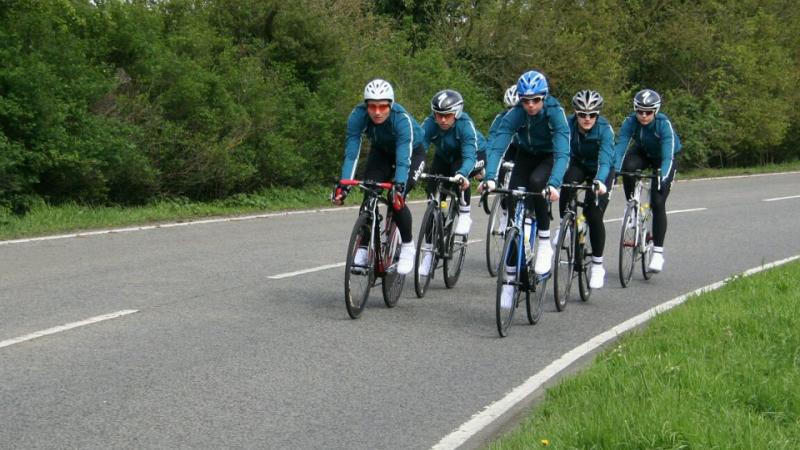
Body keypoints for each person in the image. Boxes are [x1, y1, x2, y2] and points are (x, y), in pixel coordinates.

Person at [480, 70, 570, 296]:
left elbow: (562, 154)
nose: (530, 105)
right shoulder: (516, 114)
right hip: (526, 156)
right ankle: (510, 278)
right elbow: (498, 146)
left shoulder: (555, 113)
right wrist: (491, 177)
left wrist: (555, 184)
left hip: (549, 157)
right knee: (513, 214)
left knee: (537, 183)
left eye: (536, 100)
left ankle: (543, 242)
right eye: (525, 100)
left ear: (544, 97)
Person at [332, 78, 427, 275]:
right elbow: (352, 154)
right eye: (372, 106)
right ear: (365, 105)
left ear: (390, 105)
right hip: (381, 152)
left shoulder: (401, 120)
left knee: (395, 199)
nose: (377, 112)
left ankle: (408, 246)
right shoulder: (357, 116)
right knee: (370, 193)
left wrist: (399, 185)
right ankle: (364, 247)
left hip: (411, 153)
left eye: (382, 106)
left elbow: (403, 160)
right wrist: (344, 185)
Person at [614, 88, 681, 273]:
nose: (643, 116)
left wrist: (663, 177)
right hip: (643, 152)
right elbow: (620, 148)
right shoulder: (630, 122)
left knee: (658, 201)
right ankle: (632, 207)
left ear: (656, 111)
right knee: (628, 168)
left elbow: (668, 155)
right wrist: (614, 172)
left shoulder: (663, 124)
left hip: (664, 157)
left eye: (648, 112)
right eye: (640, 111)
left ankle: (658, 253)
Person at [417, 90, 482, 275]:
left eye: (447, 116)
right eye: (439, 115)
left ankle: (464, 212)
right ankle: (429, 254)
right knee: (433, 188)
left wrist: (463, 174)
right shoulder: (430, 124)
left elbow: (470, 156)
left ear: (457, 113)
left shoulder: (465, 125)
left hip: (466, 157)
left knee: (459, 174)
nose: (443, 120)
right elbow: (419, 147)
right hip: (443, 157)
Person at [559, 90, 615, 289]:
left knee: (592, 213)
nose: (587, 118)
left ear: (597, 115)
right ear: (576, 114)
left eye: (592, 115)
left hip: (602, 169)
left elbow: (606, 160)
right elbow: (560, 151)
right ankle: (564, 224)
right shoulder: (567, 124)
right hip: (580, 164)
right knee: (567, 182)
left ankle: (598, 265)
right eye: (582, 114)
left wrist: (600, 181)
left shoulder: (605, 130)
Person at [486, 85, 521, 231]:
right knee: (500, 176)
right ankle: (505, 213)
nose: (511, 112)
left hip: (523, 149)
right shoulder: (500, 118)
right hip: (507, 149)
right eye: (509, 108)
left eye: (516, 108)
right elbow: (492, 139)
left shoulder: (528, 118)